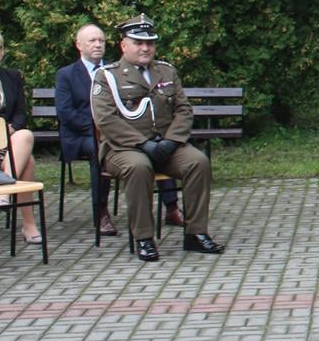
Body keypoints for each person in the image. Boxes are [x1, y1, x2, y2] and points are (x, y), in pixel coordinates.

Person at [91, 14, 224, 262]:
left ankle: (196, 233)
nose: (145, 48)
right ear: (124, 45)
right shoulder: (107, 76)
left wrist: (172, 141)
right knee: (139, 167)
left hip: (165, 145)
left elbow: (183, 110)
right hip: (123, 149)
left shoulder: (166, 71)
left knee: (198, 162)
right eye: (138, 43)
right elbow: (106, 120)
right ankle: (144, 238)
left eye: (149, 43)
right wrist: (142, 143)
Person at [55, 24, 117, 236]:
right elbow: (66, 113)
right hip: (80, 136)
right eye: (92, 41)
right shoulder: (66, 74)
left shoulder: (116, 71)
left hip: (116, 133)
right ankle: (101, 212)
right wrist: (98, 130)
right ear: (79, 45)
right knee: (98, 148)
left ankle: (171, 207)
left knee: (154, 141)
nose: (98, 45)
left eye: (101, 40)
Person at [0, 27, 41, 244]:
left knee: (25, 134)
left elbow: (20, 113)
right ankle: (29, 224)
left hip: (8, 143)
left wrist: (11, 128)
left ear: (2, 51)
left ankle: (4, 195)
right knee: (28, 162)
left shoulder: (12, 76)